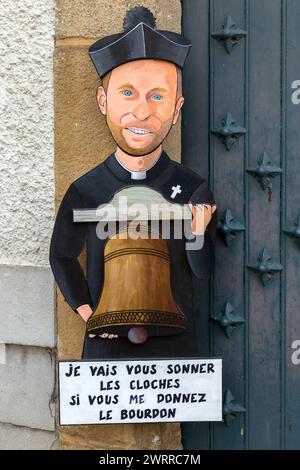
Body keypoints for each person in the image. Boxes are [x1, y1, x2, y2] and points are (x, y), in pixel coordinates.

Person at [49, 6, 217, 359]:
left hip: (172, 346)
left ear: (176, 108)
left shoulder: (191, 189)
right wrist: (88, 313)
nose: (141, 112)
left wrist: (198, 233)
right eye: (127, 93)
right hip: (105, 345)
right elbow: (61, 255)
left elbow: (202, 273)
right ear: (103, 101)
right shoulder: (86, 189)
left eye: (157, 96)